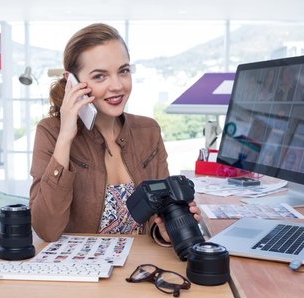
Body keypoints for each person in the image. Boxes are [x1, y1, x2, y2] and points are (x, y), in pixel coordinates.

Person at [29, 23, 200, 245]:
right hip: (84, 270)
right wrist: (65, 137)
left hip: (140, 267)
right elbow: (46, 230)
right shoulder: (51, 132)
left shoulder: (148, 131)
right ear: (73, 82)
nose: (117, 85)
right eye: (100, 76)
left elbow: (157, 216)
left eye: (123, 71)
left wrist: (165, 233)